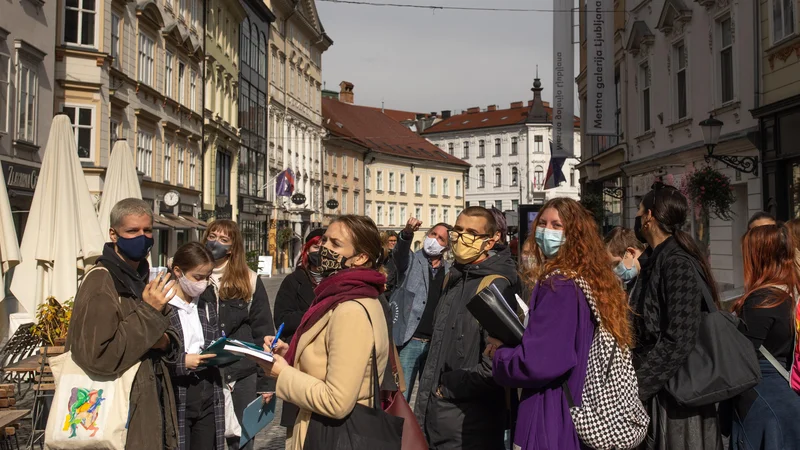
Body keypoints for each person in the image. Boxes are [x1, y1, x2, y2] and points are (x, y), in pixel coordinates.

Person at [485, 197, 633, 450]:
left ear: (574, 234)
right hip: (579, 403)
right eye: (542, 223)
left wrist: (500, 356)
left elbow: (540, 362)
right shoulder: (589, 278)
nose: (546, 231)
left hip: (553, 408)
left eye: (557, 226)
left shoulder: (559, 284)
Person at [254, 215, 390, 450]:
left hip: (330, 433)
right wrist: (291, 353)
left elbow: (337, 401)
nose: (324, 247)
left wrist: (282, 373)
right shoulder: (342, 295)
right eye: (325, 240)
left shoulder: (350, 308)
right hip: (320, 427)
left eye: (335, 244)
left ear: (360, 257)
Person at [66, 198, 181, 449]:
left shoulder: (142, 278)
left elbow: (168, 338)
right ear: (113, 234)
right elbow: (98, 355)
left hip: (149, 404)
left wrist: (163, 340)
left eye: (147, 230)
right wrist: (150, 314)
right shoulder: (101, 282)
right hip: (118, 413)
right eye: (132, 231)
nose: (142, 237)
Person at [414, 206, 519, 450]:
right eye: (458, 230)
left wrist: (447, 387)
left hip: (469, 425)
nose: (462, 238)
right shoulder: (455, 277)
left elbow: (496, 365)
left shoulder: (495, 286)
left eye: (472, 233)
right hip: (438, 417)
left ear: (491, 240)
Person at [630, 183, 723, 449]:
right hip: (661, 390)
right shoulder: (657, 258)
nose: (636, 218)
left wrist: (638, 386)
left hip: (678, 399)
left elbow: (679, 338)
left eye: (639, 211)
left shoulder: (676, 261)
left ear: (649, 216)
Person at [198, 220, 275, 450]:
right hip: (204, 372)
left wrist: (266, 382)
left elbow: (264, 333)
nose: (216, 243)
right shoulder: (195, 276)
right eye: (213, 236)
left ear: (232, 247)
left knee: (241, 441)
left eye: (224, 240)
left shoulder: (249, 279)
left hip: (242, 374)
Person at [728, 224, 800, 449]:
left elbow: (740, 356)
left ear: (760, 257)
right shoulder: (789, 292)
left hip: (762, 401)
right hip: (784, 397)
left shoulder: (762, 300)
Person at [165, 243, 224, 450]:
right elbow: (153, 355)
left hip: (207, 391)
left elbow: (214, 336)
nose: (203, 283)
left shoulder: (206, 302)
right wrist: (182, 362)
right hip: (177, 394)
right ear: (178, 272)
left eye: (207, 276)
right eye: (198, 277)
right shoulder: (163, 305)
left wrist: (224, 352)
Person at [390, 217, 451, 401]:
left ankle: (420, 430)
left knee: (426, 398)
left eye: (441, 239)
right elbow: (399, 253)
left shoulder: (449, 270)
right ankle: (399, 430)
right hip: (410, 340)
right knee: (402, 395)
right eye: (433, 234)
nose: (435, 240)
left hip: (434, 343)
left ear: (447, 247)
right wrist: (407, 233)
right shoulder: (411, 260)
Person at [273, 228, 324, 429]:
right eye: (315, 245)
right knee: (299, 418)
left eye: (323, 246)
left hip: (327, 355)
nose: (319, 250)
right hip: (300, 356)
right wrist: (315, 314)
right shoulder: (294, 281)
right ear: (306, 249)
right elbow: (282, 319)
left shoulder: (337, 280)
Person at [604, 226, 646, 291]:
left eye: (617, 264)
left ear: (631, 253)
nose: (614, 271)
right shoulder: (635, 281)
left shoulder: (655, 276)